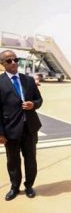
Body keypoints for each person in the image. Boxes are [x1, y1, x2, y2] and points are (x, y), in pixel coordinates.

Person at [0, 50, 43, 201]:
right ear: (2, 63)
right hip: (10, 129)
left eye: (15, 59)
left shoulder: (28, 80)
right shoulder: (0, 82)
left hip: (30, 128)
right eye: (9, 60)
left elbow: (39, 100)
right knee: (13, 161)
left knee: (30, 159)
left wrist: (33, 104)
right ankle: (14, 187)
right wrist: (0, 133)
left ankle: (29, 185)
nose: (14, 63)